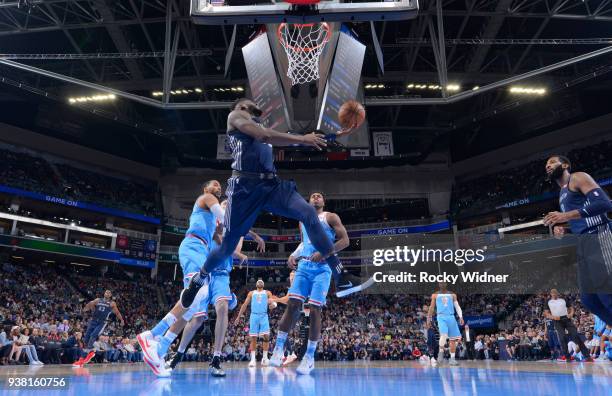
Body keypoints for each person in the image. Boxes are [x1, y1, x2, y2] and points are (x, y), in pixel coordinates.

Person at [179, 98, 373, 313]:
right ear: (242, 104)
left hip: (271, 185)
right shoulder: (235, 116)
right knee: (227, 246)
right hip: (245, 187)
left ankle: (341, 275)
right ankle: (199, 279)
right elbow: (265, 136)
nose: (254, 103)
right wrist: (303, 138)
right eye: (250, 102)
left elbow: (290, 139)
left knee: (308, 212)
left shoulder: (259, 126)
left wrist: (336, 135)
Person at [164, 199, 262, 377]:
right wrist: (249, 239)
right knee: (197, 319)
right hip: (204, 271)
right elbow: (220, 240)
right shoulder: (210, 220)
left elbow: (231, 247)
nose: (226, 205)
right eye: (224, 203)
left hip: (221, 274)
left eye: (229, 205)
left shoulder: (235, 231)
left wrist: (252, 236)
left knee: (222, 308)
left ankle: (216, 359)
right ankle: (178, 355)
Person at [138, 180, 226, 377]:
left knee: (194, 306)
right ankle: (151, 335)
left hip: (202, 249)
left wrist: (223, 234)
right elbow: (223, 216)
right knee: (199, 291)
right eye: (215, 184)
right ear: (205, 189)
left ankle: (159, 350)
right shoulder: (207, 198)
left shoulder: (211, 219)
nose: (218, 188)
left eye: (220, 187)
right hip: (193, 246)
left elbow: (220, 241)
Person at [269, 192, 350, 374]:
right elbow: (304, 243)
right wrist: (293, 255)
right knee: (292, 305)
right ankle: (278, 349)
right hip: (304, 266)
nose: (315, 197)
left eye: (319, 195)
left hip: (323, 268)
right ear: (308, 201)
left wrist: (325, 253)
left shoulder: (330, 217)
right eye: (312, 196)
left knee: (314, 310)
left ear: (324, 201)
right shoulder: (302, 220)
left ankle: (309, 357)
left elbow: (345, 241)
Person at [543, 155, 612, 324]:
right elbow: (580, 219)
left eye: (552, 162)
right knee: (590, 301)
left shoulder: (578, 177)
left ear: (565, 164)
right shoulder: (562, 193)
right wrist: (565, 229)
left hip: (598, 234)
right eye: (546, 165)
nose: (548, 166)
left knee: (607, 294)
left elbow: (605, 204)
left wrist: (565, 215)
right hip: (583, 243)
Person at [234, 279, 278, 367]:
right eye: (258, 281)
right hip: (254, 316)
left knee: (266, 336)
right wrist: (238, 317)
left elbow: (273, 303)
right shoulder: (251, 293)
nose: (260, 281)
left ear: (263, 284)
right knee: (253, 338)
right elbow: (244, 305)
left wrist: (273, 305)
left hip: (263, 316)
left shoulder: (268, 292)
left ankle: (265, 358)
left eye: (261, 281)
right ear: (256, 284)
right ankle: (253, 360)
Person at [77, 289, 124, 367]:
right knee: (86, 338)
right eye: (106, 292)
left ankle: (84, 356)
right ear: (104, 293)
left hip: (102, 322)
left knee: (93, 336)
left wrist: (121, 320)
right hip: (93, 321)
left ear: (110, 295)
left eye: (109, 293)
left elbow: (117, 312)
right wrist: (86, 309)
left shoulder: (112, 303)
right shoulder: (98, 300)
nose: (107, 293)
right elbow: (90, 304)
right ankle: (90, 352)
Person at [543, 289, 592, 362]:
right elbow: (546, 313)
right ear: (551, 294)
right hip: (557, 320)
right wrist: (553, 317)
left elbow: (571, 308)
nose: (554, 295)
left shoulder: (563, 299)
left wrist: (571, 314)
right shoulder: (548, 302)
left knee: (575, 336)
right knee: (562, 338)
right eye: (553, 294)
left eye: (555, 293)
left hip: (566, 318)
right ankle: (567, 357)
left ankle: (587, 356)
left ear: (557, 293)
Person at [426, 282, 464, 366]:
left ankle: (452, 359)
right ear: (439, 285)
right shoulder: (435, 295)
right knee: (443, 335)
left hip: (451, 317)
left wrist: (461, 317)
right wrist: (428, 318)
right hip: (441, 316)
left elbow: (457, 306)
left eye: (443, 283)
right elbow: (431, 307)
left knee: (453, 340)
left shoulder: (453, 295)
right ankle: (441, 352)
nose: (442, 284)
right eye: (440, 283)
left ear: (446, 284)